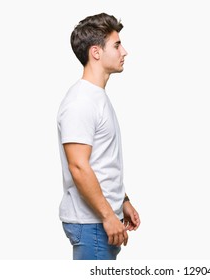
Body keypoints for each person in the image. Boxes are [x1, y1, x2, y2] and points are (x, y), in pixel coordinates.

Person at [57, 13, 140, 260]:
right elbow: (79, 166)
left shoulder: (96, 97)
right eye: (116, 45)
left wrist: (122, 201)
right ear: (96, 52)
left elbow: (102, 161)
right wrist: (107, 215)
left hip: (101, 219)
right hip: (92, 224)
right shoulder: (81, 102)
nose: (124, 51)